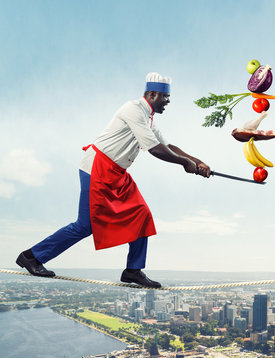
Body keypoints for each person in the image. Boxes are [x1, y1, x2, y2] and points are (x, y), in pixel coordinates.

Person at [15, 72, 210, 288]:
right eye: (166, 97)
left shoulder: (148, 118)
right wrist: (185, 163)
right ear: (153, 94)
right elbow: (155, 149)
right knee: (85, 225)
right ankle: (31, 257)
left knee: (141, 214)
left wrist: (197, 161)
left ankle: (133, 271)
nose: (168, 102)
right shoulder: (133, 110)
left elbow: (168, 146)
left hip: (117, 173)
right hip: (97, 167)